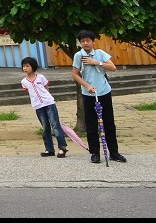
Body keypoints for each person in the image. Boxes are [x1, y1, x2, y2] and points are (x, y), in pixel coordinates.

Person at [71, 29, 127, 164]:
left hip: (104, 92)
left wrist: (97, 62)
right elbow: (75, 74)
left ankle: (114, 152)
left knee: (109, 123)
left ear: (93, 41)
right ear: (80, 43)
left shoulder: (100, 53)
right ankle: (94, 153)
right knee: (91, 125)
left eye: (88, 40)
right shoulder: (79, 56)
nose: (85, 43)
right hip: (89, 94)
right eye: (82, 41)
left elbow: (113, 67)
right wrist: (87, 86)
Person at [20, 56, 68, 158]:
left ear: (33, 67)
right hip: (38, 106)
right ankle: (49, 149)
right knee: (45, 127)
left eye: (27, 66)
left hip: (49, 103)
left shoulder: (40, 77)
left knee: (55, 125)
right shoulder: (24, 81)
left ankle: (62, 148)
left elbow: (46, 88)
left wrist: (48, 99)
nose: (25, 68)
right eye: (23, 66)